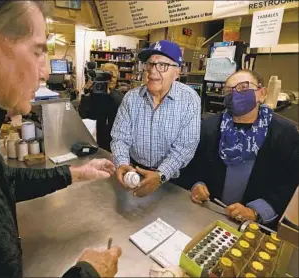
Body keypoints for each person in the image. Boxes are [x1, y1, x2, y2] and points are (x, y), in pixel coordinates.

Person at [0, 1, 121, 277]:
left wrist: (76, 173)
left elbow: (3, 182)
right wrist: (88, 274)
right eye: (38, 52)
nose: (45, 72)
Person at [182, 70, 299, 228]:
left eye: (244, 88)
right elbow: (193, 164)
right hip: (209, 214)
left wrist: (256, 211)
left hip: (255, 226)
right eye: (229, 90)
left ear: (262, 93)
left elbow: (289, 182)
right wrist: (197, 184)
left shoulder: (284, 133)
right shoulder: (209, 127)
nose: (235, 94)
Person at [111, 40, 201, 198]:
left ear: (177, 72)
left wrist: (161, 175)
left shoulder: (190, 99)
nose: (153, 71)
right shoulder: (132, 98)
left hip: (173, 180)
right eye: (150, 64)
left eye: (162, 65)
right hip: (135, 172)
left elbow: (185, 147)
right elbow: (120, 138)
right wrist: (122, 164)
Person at [79, 63, 124, 152]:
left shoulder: (119, 97)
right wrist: (87, 92)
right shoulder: (91, 96)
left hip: (112, 143)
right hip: (93, 141)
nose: (109, 80)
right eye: (106, 76)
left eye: (113, 77)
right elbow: (82, 114)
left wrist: (109, 94)